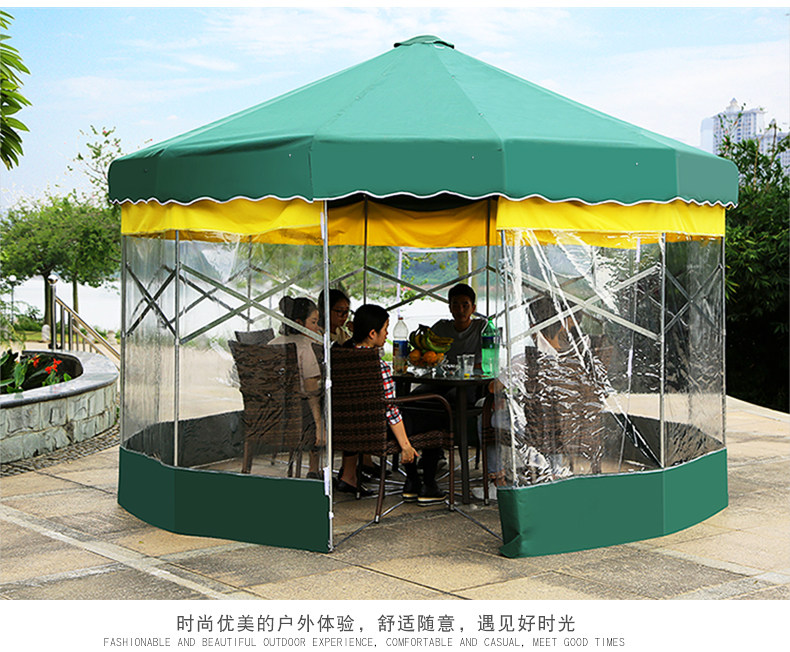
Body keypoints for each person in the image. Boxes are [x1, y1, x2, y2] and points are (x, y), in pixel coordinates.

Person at [338, 304, 447, 504]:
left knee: (410, 413)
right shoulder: (377, 365)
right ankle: (428, 485)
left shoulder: (340, 357)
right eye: (385, 328)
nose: (387, 333)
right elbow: (390, 409)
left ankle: (413, 482)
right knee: (434, 416)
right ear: (372, 333)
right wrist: (405, 446)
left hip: (351, 429)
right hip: (381, 429)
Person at [269, 296, 324, 479]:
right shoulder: (306, 347)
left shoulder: (271, 344)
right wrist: (319, 425)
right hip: (298, 416)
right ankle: (314, 468)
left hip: (269, 414)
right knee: (320, 402)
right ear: (299, 323)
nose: (317, 327)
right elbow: (311, 390)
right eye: (313, 322)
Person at [430, 283, 486, 367]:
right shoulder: (440, 328)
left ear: (473, 308)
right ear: (450, 308)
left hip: (475, 375)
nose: (460, 310)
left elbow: (491, 361)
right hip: (446, 374)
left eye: (465, 305)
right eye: (455, 305)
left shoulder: (482, 328)